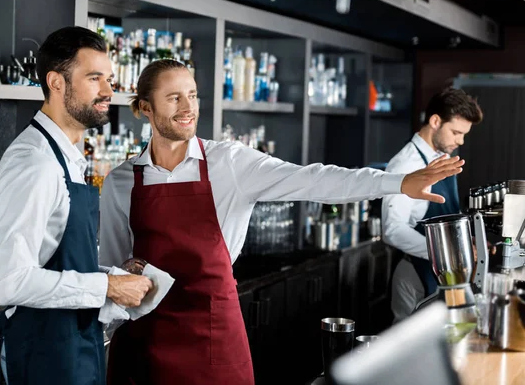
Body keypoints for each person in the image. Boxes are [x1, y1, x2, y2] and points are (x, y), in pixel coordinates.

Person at [99, 60, 465, 384]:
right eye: (173, 97)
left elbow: (315, 179)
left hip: (212, 336)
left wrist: (398, 183)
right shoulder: (121, 180)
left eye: (192, 95)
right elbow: (116, 270)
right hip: (146, 341)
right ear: (145, 107)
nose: (188, 107)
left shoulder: (229, 163)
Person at [0, 26, 153, 385]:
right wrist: (106, 287)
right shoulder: (34, 162)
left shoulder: (66, 157)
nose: (109, 91)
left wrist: (111, 274)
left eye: (108, 79)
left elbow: (56, 256)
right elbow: (9, 282)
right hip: (45, 356)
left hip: (74, 347)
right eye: (94, 78)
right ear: (56, 82)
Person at [382, 87, 483, 323]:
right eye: (456, 132)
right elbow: (392, 230)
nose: (460, 141)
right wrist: (448, 253)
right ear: (436, 121)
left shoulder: (442, 158)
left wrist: (466, 243)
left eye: (464, 135)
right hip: (415, 274)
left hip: (444, 272)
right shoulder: (405, 164)